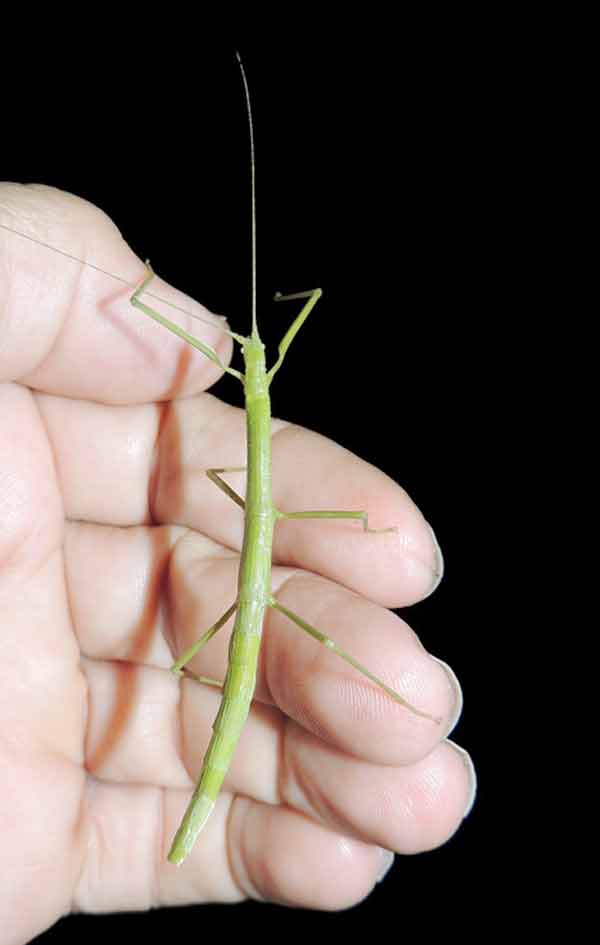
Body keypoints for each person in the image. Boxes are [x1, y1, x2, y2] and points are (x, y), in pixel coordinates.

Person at [0, 184, 475, 943]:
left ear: (260, 369)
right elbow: (305, 302)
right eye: (256, 357)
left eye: (258, 355)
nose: (255, 357)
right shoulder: (251, 389)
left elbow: (304, 302)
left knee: (315, 631)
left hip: (250, 608)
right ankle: (390, 695)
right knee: (321, 627)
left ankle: (389, 695)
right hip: (244, 609)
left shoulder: (250, 389)